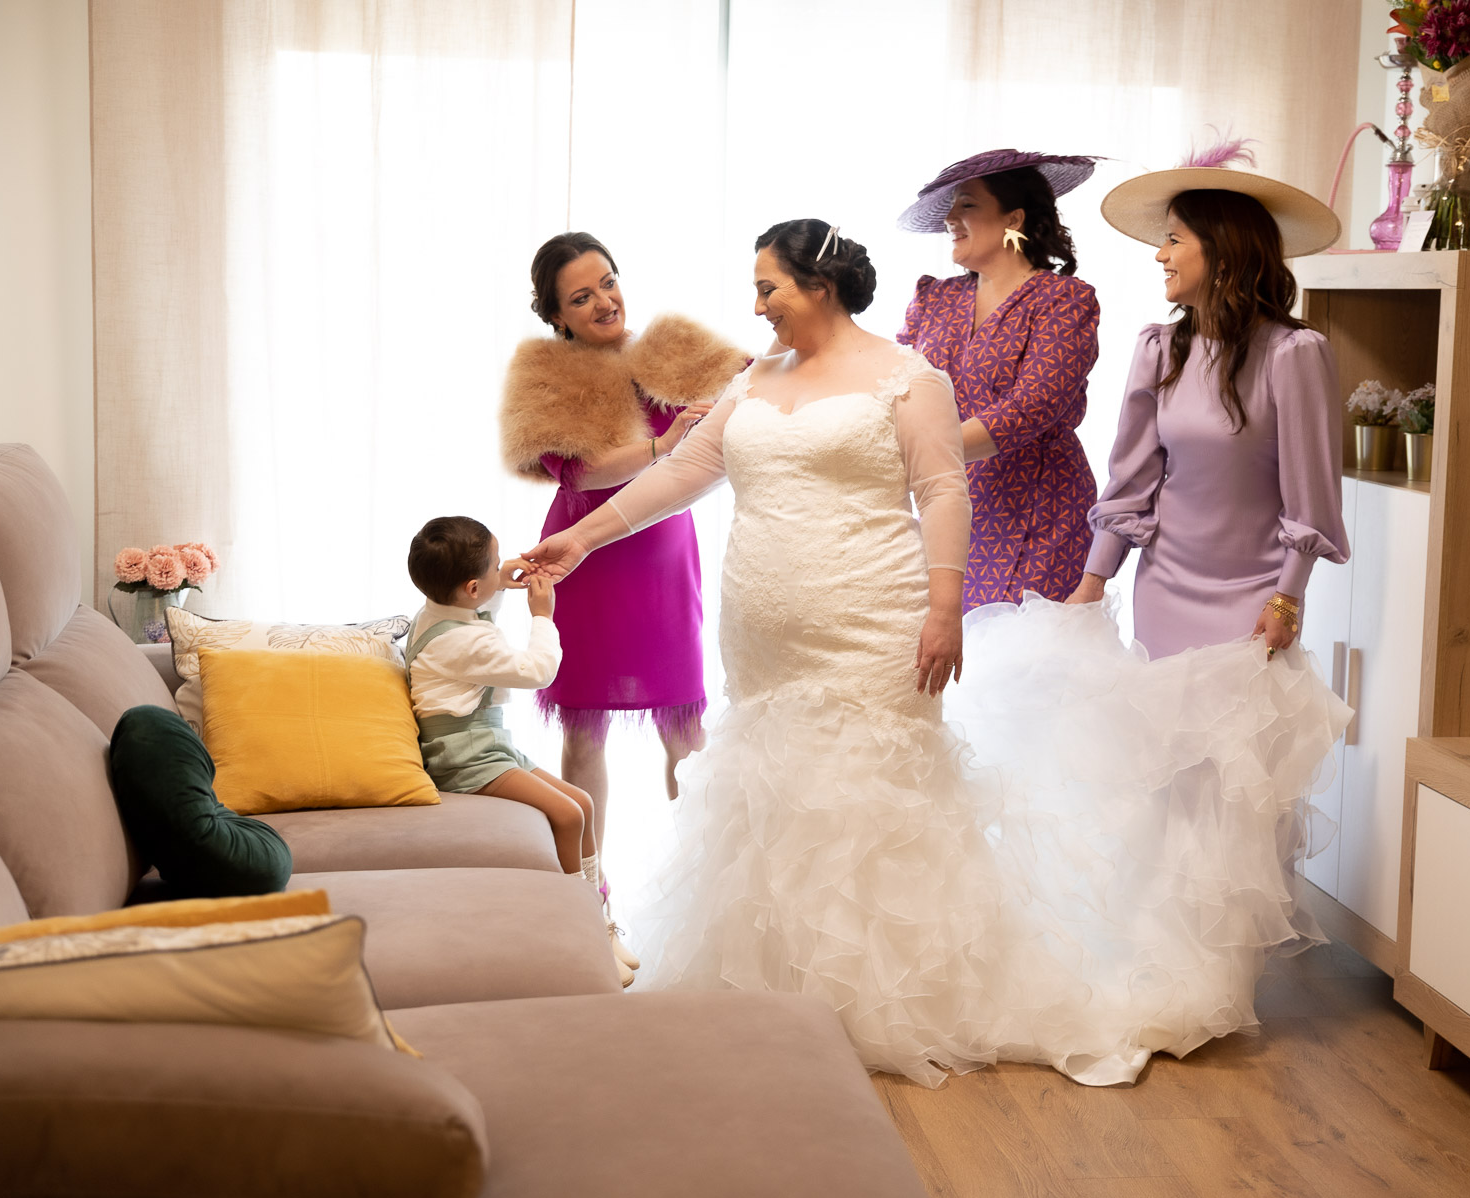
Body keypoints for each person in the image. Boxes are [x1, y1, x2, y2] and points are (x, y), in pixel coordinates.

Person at [520, 218, 1348, 1088]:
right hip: (764, 643)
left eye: (768, 288)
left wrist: (945, 608)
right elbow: (682, 473)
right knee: (775, 793)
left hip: (872, 626)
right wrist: (581, 540)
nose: (756, 306)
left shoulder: (909, 379)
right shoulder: (754, 380)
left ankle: (880, 998)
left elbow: (944, 490)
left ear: (819, 287)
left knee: (865, 794)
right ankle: (776, 989)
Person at [1067, 140, 1351, 663]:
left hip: (1257, 594)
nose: (1160, 254)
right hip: (1162, 588)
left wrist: (1288, 597)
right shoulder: (1158, 350)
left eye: (1174, 239)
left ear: (1223, 252)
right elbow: (1132, 481)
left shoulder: (1294, 354)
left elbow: (1310, 497)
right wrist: (1093, 581)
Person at [500, 232, 747, 818]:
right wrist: (663, 446)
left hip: (664, 554)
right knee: (584, 732)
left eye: (608, 283)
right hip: (582, 556)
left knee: (684, 725)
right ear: (556, 316)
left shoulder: (675, 353)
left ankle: (705, 864)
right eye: (581, 297)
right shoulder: (545, 377)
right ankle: (589, 869)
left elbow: (763, 384)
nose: (605, 302)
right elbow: (578, 474)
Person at [403, 515, 630, 985]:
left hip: (487, 744)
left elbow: (474, 618)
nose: (500, 568)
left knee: (582, 802)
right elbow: (537, 670)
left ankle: (601, 918)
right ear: (471, 588)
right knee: (568, 814)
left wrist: (497, 584)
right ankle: (583, 932)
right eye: (494, 565)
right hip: (465, 756)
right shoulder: (463, 643)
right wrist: (542, 616)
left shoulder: (436, 613)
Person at [897, 150, 1102, 610]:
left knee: (1024, 650)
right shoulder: (934, 298)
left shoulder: (1064, 300)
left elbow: (1031, 407)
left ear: (1014, 218)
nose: (950, 217)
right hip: (949, 504)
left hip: (1042, 511)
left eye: (967, 204)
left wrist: (923, 454)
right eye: (952, 205)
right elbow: (889, 384)